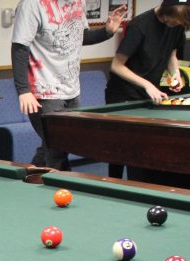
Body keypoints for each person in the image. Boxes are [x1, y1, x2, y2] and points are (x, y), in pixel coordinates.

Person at [11, 0, 128, 171]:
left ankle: (29, 180)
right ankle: (63, 189)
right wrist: (23, 90)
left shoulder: (77, 2)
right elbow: (20, 47)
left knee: (54, 144)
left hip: (71, 89)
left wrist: (107, 31)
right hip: (44, 91)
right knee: (58, 148)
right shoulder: (32, 5)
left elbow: (80, 36)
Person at [105, 0, 190, 183]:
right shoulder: (140, 25)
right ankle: (114, 183)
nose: (175, 25)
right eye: (174, 20)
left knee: (141, 148)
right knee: (120, 149)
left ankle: (142, 185)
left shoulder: (176, 24)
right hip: (122, 95)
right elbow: (116, 66)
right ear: (165, 11)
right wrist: (148, 85)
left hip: (147, 94)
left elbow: (171, 54)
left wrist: (174, 74)